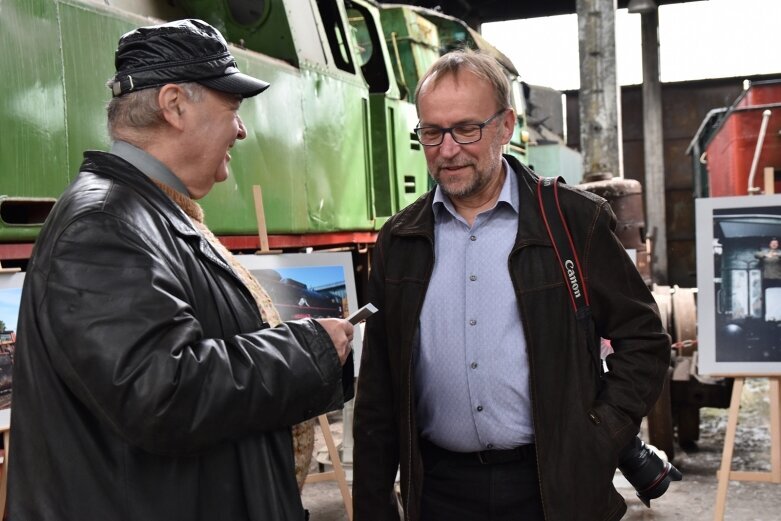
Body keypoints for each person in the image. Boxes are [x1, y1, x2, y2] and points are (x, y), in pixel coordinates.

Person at [8, 19, 353, 521]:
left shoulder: (141, 213)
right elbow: (161, 391)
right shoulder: (104, 225)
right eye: (232, 108)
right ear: (173, 105)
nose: (242, 129)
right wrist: (307, 351)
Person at [352, 49, 670, 521]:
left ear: (506, 126)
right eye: (432, 132)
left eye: (466, 129)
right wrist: (373, 504)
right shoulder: (401, 240)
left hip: (551, 491)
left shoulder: (571, 223)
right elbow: (378, 388)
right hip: (440, 492)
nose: (447, 149)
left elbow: (644, 341)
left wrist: (599, 435)